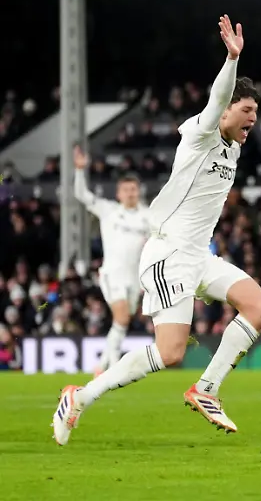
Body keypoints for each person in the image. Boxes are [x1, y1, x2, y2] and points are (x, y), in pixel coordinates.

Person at [52, 16, 261, 445]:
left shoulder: (232, 147)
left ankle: (206, 389)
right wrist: (231, 59)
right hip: (169, 256)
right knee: (170, 353)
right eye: (246, 112)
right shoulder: (201, 133)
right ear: (227, 109)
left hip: (198, 256)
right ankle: (79, 396)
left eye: (255, 115)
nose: (252, 121)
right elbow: (215, 101)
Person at [73, 146, 150, 376]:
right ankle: (113, 365)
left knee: (124, 321)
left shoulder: (148, 216)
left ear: (139, 192)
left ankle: (103, 364)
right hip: (112, 274)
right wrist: (79, 171)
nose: (130, 193)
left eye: (133, 189)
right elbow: (82, 196)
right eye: (125, 190)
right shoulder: (109, 210)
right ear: (118, 193)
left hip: (135, 278)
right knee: (122, 315)